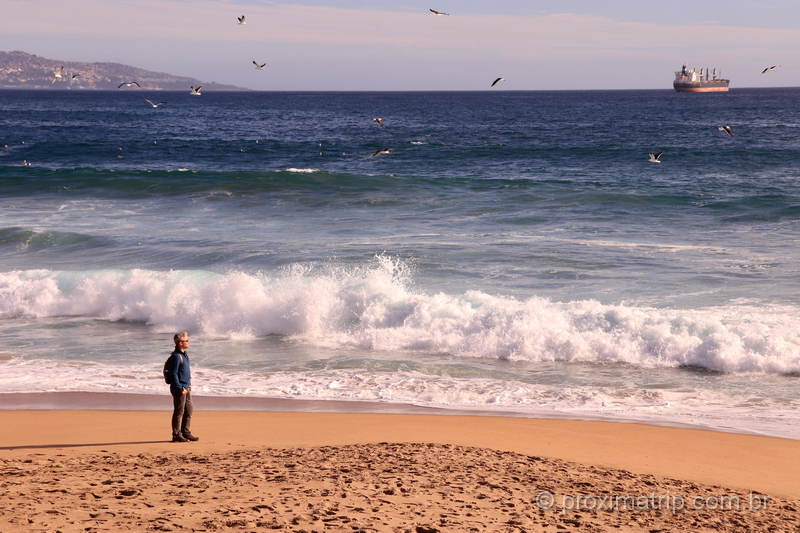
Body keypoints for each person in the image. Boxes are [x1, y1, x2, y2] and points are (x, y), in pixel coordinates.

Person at [167, 331, 199, 442]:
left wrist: (188, 385)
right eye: (186, 340)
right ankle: (176, 435)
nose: (188, 342)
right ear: (180, 343)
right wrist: (180, 388)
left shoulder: (184, 355)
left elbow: (184, 372)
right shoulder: (176, 357)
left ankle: (185, 432)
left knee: (189, 410)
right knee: (179, 412)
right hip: (179, 388)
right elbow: (173, 374)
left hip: (186, 387)